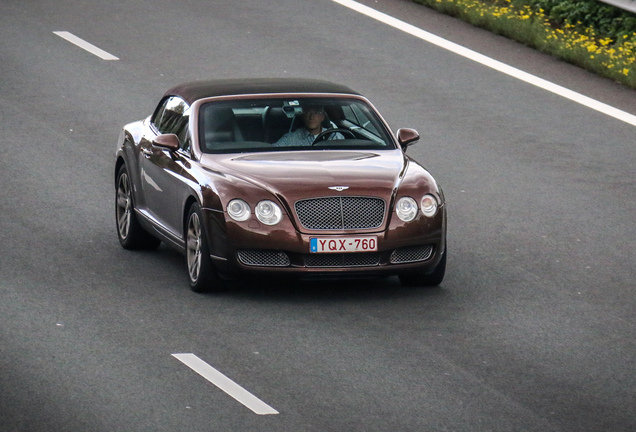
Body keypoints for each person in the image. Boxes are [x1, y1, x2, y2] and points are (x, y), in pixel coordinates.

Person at [273, 105, 343, 147]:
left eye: (316, 113)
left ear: (322, 117)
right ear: (303, 116)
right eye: (307, 113)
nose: (311, 117)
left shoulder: (335, 136)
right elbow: (272, 151)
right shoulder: (291, 138)